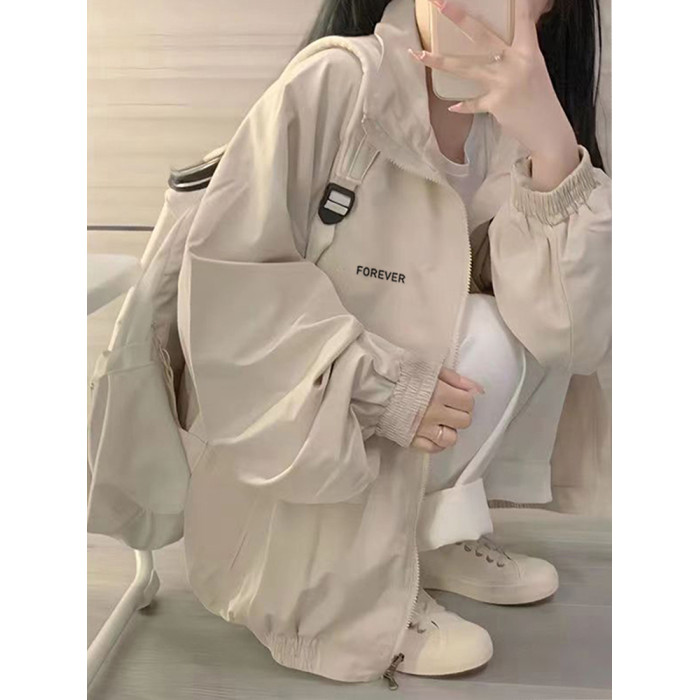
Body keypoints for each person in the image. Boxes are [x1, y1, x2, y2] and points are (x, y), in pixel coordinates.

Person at [176, 0, 611, 687]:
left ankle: (426, 538)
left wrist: (553, 150)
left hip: (411, 412)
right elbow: (233, 293)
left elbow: (571, 336)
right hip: (303, 453)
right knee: (457, 328)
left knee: (515, 324)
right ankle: (355, 584)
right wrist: (384, 387)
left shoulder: (515, 128)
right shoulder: (335, 85)